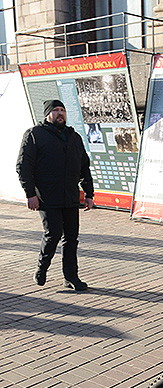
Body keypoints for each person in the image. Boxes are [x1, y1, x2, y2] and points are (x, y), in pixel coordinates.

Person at [17, 99, 94, 291]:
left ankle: (71, 277)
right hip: (47, 196)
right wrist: (30, 193)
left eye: (62, 110)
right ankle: (42, 268)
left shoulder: (73, 137)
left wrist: (89, 193)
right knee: (53, 235)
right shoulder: (35, 135)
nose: (60, 113)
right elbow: (24, 166)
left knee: (71, 238)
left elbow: (84, 166)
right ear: (47, 114)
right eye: (56, 110)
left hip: (70, 196)